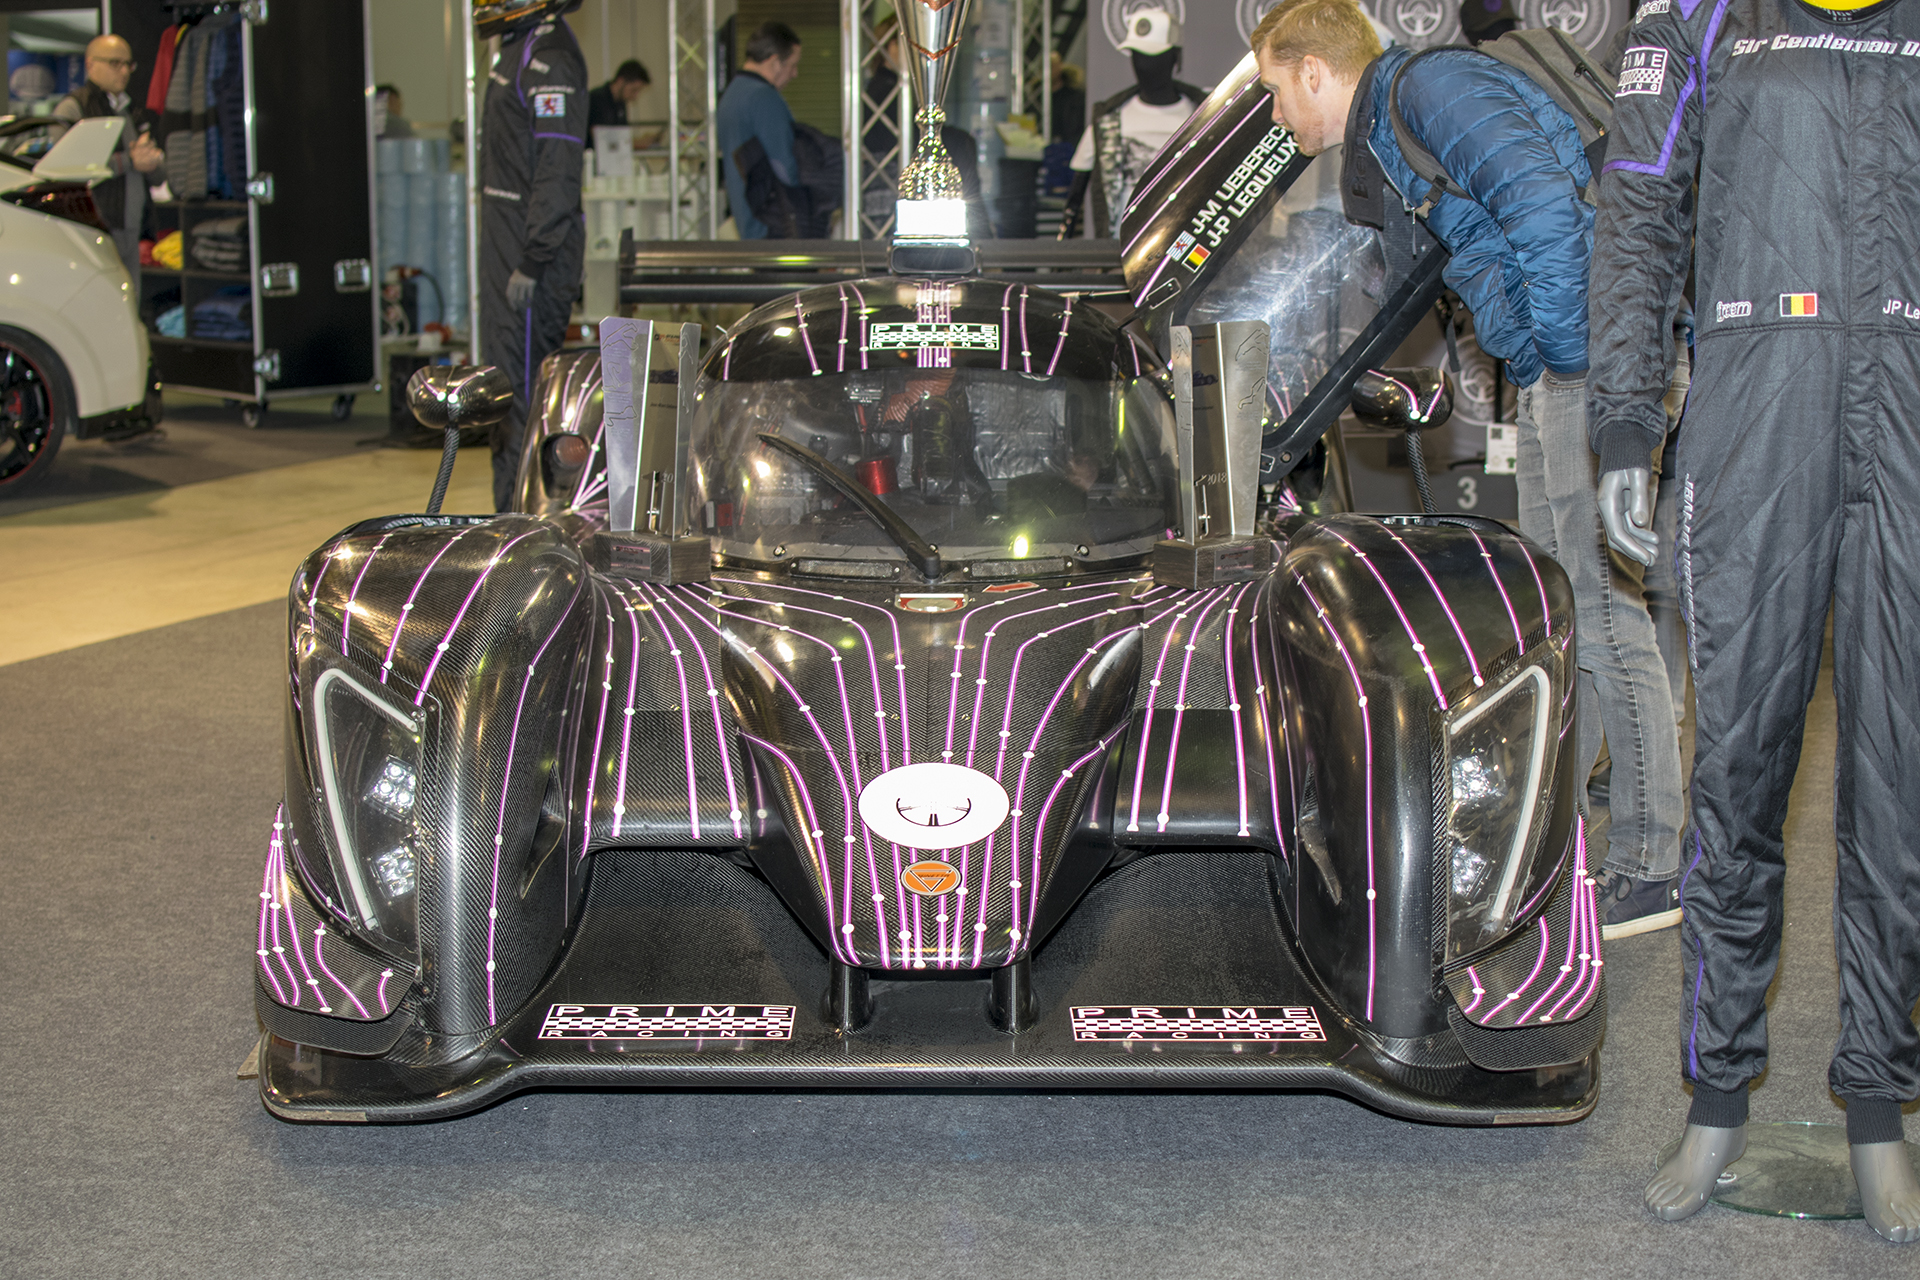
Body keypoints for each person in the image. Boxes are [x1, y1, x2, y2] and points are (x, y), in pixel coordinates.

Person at [1587, 0, 1920, 1242]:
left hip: (1914, 415)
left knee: (1903, 780)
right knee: (1739, 769)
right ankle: (1718, 1093)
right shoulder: (1698, 13)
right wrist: (1627, 411)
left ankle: (1880, 1104)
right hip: (1754, 406)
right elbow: (1635, 204)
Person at [1248, 0, 1685, 939]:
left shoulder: (1430, 88)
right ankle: (1576, 818)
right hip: (1570, 366)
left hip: (1595, 363)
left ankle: (1656, 863)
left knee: (1606, 615)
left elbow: (1543, 207)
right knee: (1568, 604)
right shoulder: (1400, 121)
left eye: (1278, 94)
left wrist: (1567, 364)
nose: (1280, 118)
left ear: (1316, 72)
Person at [477, 0, 587, 512]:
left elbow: (557, 174)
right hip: (507, 251)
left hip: (530, 261)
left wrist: (534, 259)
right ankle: (507, 519)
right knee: (507, 404)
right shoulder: (516, 48)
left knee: (525, 405)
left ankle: (522, 536)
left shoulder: (551, 58)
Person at [1061, 7, 1204, 238]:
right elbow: (1074, 199)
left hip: (1184, 251)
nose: (1145, 65)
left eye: (1154, 57)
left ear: (1175, 57)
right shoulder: (1108, 121)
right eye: (1137, 55)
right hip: (1120, 255)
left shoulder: (1204, 118)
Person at [46, 35, 166, 282]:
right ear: (90, 64)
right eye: (115, 63)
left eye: (128, 65)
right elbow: (67, 169)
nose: (124, 71)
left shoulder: (130, 109)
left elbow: (155, 173)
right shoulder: (73, 108)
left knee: (129, 303)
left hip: (131, 229)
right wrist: (130, 161)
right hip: (94, 230)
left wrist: (153, 161)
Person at [715, 21, 804, 240]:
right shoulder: (764, 98)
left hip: (747, 223)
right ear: (774, 62)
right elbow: (785, 167)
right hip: (775, 226)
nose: (795, 74)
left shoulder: (731, 95)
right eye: (792, 65)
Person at [587, 58, 649, 129]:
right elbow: (599, 136)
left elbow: (622, 136)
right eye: (633, 90)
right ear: (620, 81)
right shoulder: (596, 99)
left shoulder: (620, 102)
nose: (635, 96)